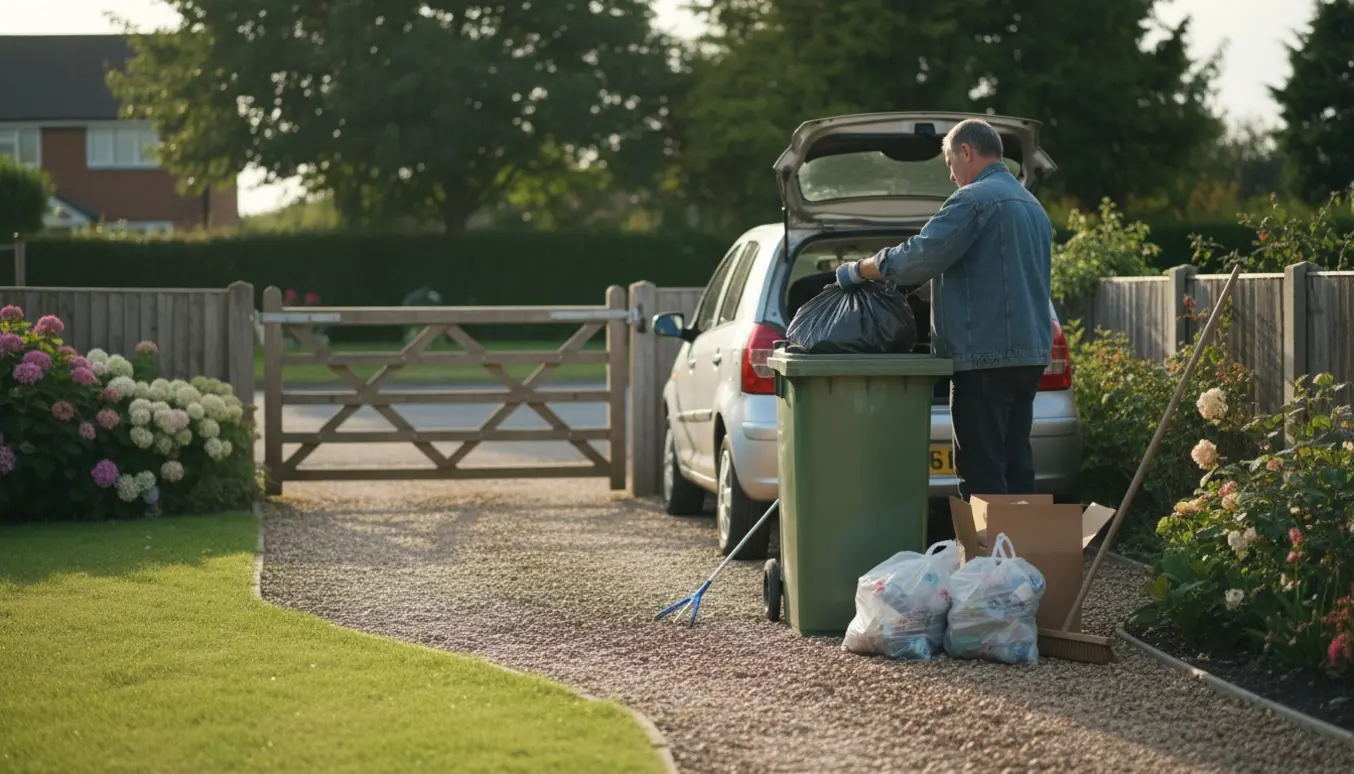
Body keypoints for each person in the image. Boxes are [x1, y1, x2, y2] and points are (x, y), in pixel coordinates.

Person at [834, 118, 1054, 499]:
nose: (952, 177)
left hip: (984, 358)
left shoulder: (972, 200)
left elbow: (917, 258)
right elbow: (993, 274)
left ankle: (990, 557)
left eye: (950, 165)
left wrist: (858, 270)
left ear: (966, 152)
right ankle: (1023, 554)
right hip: (1029, 356)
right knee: (1018, 469)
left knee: (982, 474)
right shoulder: (1032, 206)